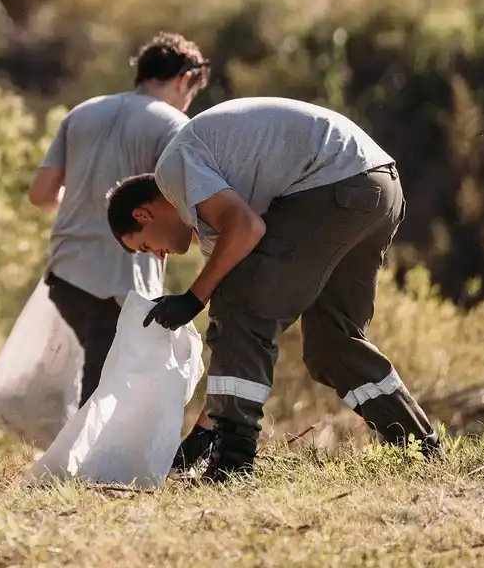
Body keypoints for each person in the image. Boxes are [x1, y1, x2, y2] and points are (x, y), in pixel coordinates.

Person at [104, 96, 440, 482]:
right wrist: (203, 430)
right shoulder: (213, 216)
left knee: (239, 307)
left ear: (142, 214)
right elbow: (237, 335)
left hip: (335, 184)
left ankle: (233, 463)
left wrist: (192, 300)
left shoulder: (173, 169)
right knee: (333, 343)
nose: (159, 256)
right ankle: (421, 446)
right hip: (377, 187)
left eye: (146, 246)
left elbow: (247, 237)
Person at [26, 32, 207, 405]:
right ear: (185, 79)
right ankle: (85, 462)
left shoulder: (83, 111)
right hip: (120, 280)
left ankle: (77, 456)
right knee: (106, 387)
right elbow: (179, 209)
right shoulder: (173, 125)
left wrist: (82, 203)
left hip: (65, 274)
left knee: (100, 377)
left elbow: (41, 194)